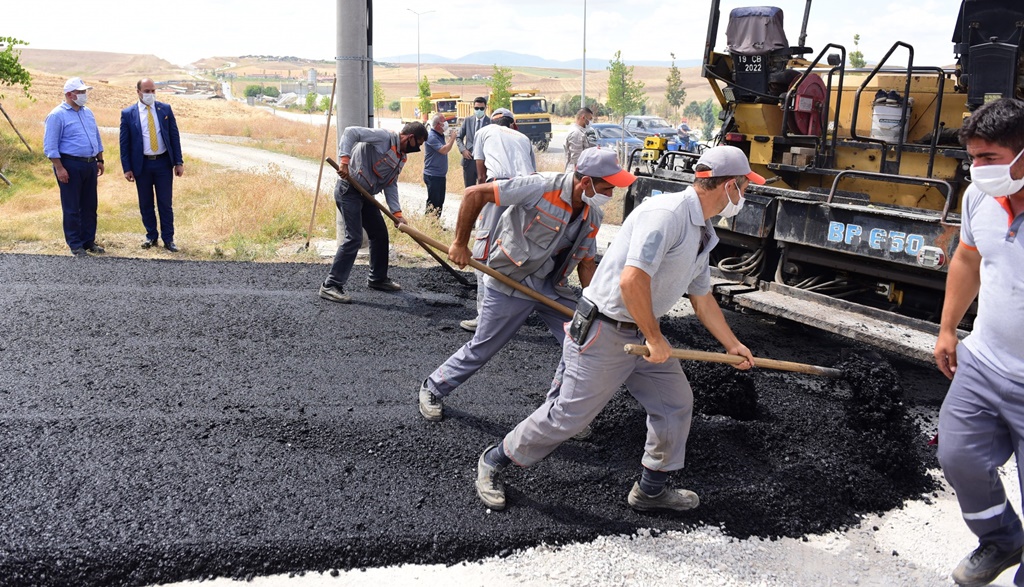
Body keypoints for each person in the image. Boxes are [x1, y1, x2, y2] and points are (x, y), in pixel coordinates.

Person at [472, 145, 760, 513]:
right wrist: (655, 338)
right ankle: (494, 461)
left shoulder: (702, 230)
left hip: (640, 330)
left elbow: (702, 297)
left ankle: (650, 490)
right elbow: (631, 281)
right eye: (744, 188)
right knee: (567, 417)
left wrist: (732, 345)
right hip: (605, 330)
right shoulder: (666, 214)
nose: (745, 196)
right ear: (729, 186)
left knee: (674, 403)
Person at [418, 148, 633, 422]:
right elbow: (475, 194)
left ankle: (558, 411)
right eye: (607, 187)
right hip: (511, 279)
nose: (610, 195)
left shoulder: (593, 216)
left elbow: (587, 264)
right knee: (484, 346)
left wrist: (597, 307)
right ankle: (433, 387)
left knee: (582, 339)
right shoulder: (540, 187)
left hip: (552, 287)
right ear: (586, 181)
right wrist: (460, 243)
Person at [934, 97, 1024, 587]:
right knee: (958, 456)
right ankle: (1002, 536)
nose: (978, 169)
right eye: (972, 157)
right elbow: (968, 260)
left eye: (988, 157)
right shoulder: (978, 198)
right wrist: (948, 328)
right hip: (985, 362)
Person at [318, 122, 429, 304]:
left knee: (379, 234)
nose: (418, 148)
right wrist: (344, 161)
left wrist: (397, 213)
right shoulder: (383, 137)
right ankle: (331, 285)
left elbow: (391, 184)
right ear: (409, 138)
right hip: (349, 191)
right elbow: (350, 132)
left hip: (366, 195)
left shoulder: (401, 157)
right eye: (418, 143)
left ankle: (377, 278)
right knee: (354, 238)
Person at [459, 108, 537, 332]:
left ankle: (486, 319)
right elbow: (533, 174)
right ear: (513, 125)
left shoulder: (485, 131)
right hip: (526, 193)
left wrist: (481, 205)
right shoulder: (523, 138)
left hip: (499, 189)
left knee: (483, 254)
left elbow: (481, 175)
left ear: (493, 121)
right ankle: (514, 314)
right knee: (517, 253)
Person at [119, 78, 185, 252]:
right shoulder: (128, 114)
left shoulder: (165, 109)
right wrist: (127, 168)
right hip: (142, 166)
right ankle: (151, 236)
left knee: (165, 203)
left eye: (153, 91)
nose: (150, 94)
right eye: (147, 91)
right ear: (138, 91)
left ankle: (168, 239)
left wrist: (178, 162)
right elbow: (124, 144)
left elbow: (174, 136)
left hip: (163, 163)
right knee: (146, 203)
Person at [43, 77, 105, 258]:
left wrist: (100, 159)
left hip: (89, 163)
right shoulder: (57, 115)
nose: (84, 95)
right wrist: (59, 168)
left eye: (85, 92)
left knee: (90, 205)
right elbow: (50, 146)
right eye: (81, 92)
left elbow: (96, 136)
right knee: (72, 206)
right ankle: (75, 244)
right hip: (70, 165)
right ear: (69, 94)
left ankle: (88, 241)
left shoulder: (88, 113)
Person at [422, 113, 456, 217]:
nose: (446, 123)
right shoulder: (431, 137)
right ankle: (429, 223)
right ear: (437, 125)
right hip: (433, 175)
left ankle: (436, 224)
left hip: (440, 175)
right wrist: (452, 138)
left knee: (440, 201)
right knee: (433, 202)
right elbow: (444, 150)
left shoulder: (439, 135)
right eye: (443, 121)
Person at [456, 97, 490, 189]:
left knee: (483, 189)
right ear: (473, 108)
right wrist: (463, 150)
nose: (479, 110)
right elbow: (459, 137)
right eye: (476, 108)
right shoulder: (468, 120)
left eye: (481, 108)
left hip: (484, 162)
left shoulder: (490, 123)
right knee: (469, 190)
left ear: (485, 108)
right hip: (469, 160)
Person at [564, 107, 595, 172]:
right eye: (590, 119)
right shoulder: (576, 134)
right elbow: (577, 159)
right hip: (575, 173)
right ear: (583, 118)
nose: (590, 122)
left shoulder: (580, 131)